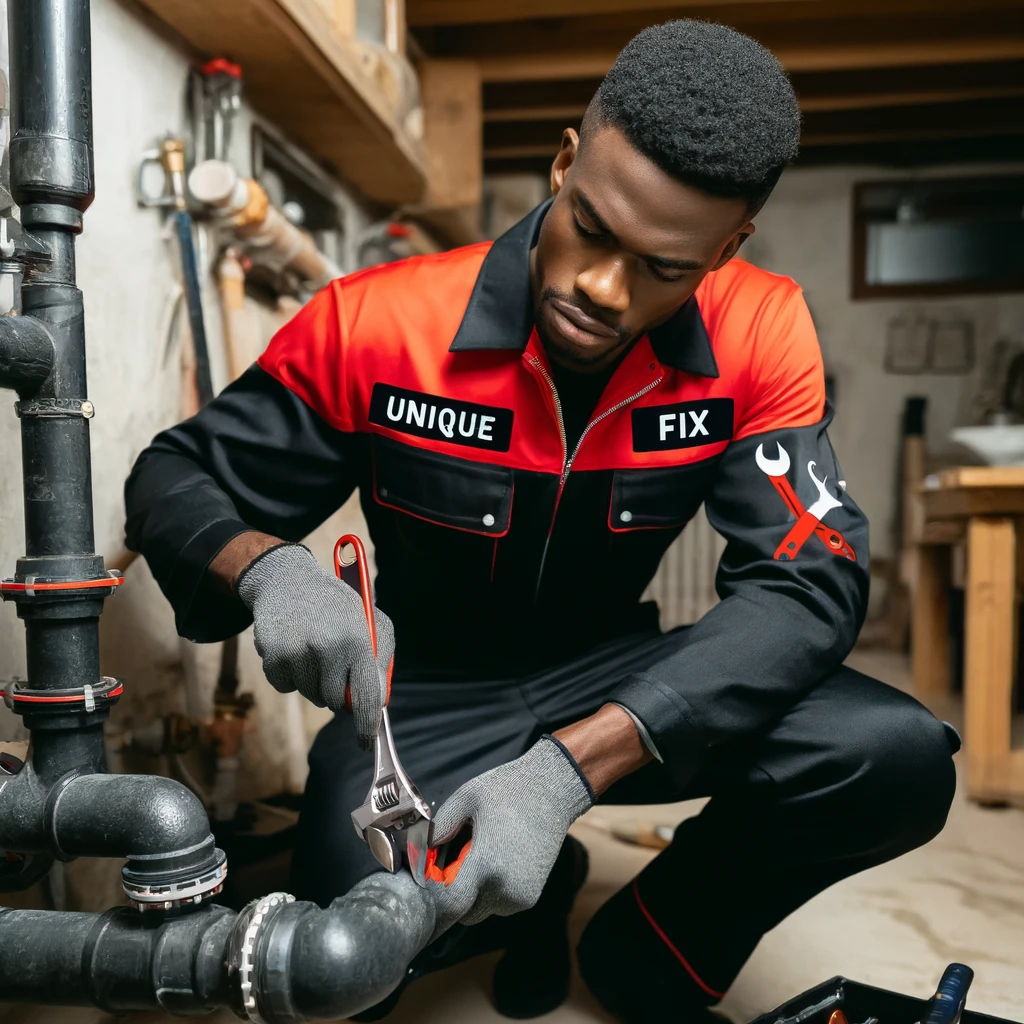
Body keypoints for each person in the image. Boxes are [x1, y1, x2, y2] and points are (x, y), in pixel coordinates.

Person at [125, 20, 958, 1023]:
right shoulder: (381, 321)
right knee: (341, 958)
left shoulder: (758, 326)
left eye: (663, 267)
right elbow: (177, 475)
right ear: (564, 161)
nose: (601, 291)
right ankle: (527, 891)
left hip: (617, 676)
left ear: (726, 248)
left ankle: (648, 952)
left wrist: (569, 770)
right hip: (422, 696)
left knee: (892, 757)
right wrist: (265, 568)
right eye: (593, 230)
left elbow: (806, 582)